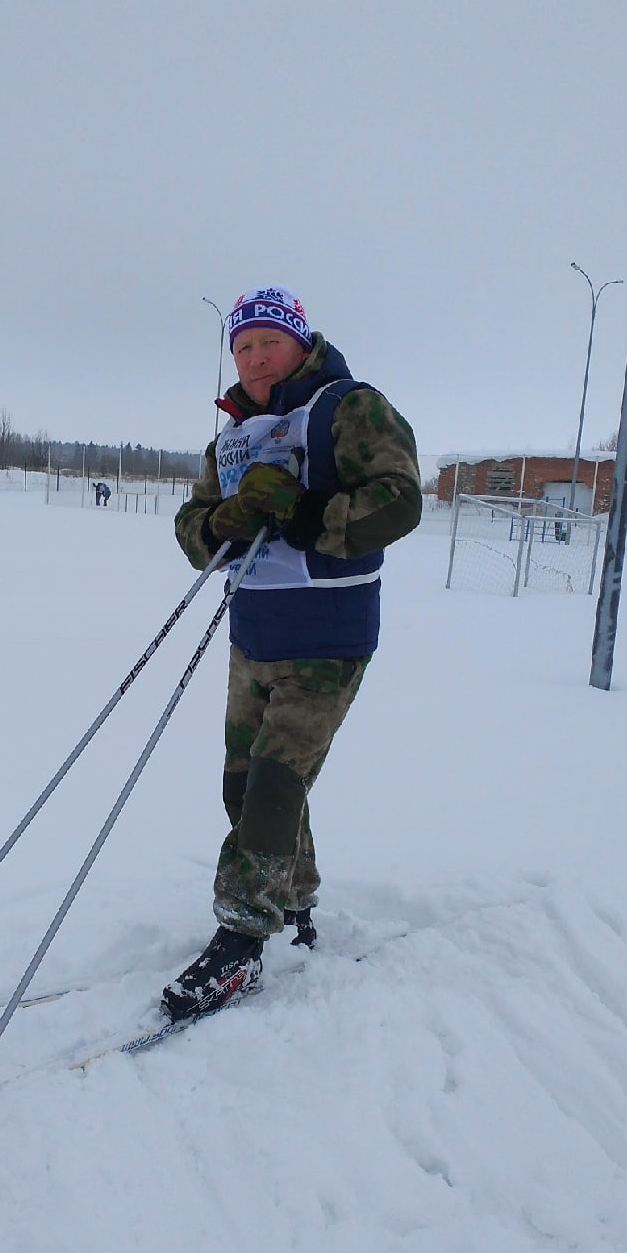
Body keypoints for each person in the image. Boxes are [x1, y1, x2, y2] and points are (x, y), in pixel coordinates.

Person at [162, 285, 422, 1021]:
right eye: (240, 348)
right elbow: (191, 531)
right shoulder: (234, 438)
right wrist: (227, 519)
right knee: (248, 788)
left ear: (299, 342)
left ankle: (241, 941)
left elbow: (400, 499)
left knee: (276, 783)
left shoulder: (349, 407)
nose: (251, 358)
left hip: (327, 637)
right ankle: (296, 902)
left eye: (266, 342)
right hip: (254, 637)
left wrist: (308, 514)